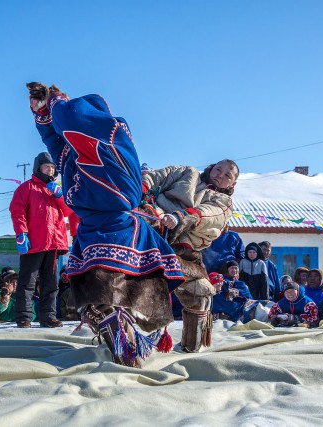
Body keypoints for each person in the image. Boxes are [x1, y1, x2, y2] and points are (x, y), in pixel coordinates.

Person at [28, 82, 184, 366]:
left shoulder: (112, 135)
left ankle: (129, 345)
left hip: (118, 225)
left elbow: (72, 116)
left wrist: (55, 101)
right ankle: (124, 344)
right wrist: (42, 115)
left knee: (113, 293)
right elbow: (56, 140)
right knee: (98, 298)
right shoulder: (79, 150)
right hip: (93, 226)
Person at [139, 158, 238, 352]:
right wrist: (140, 189)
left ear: (233, 183)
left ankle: (191, 347)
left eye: (228, 175)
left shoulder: (224, 203)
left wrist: (181, 217)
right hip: (151, 226)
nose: (220, 175)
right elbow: (157, 177)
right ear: (211, 168)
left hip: (183, 249)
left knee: (201, 295)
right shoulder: (188, 172)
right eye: (219, 169)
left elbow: (209, 214)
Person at [9, 152, 72, 329]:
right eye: (47, 167)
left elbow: (68, 212)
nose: (50, 170)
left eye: (52, 168)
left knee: (51, 283)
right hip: (34, 243)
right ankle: (23, 317)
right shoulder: (26, 188)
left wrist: (59, 195)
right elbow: (17, 211)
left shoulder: (57, 189)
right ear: (38, 168)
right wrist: (21, 233)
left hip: (53, 243)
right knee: (27, 282)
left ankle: (48, 317)